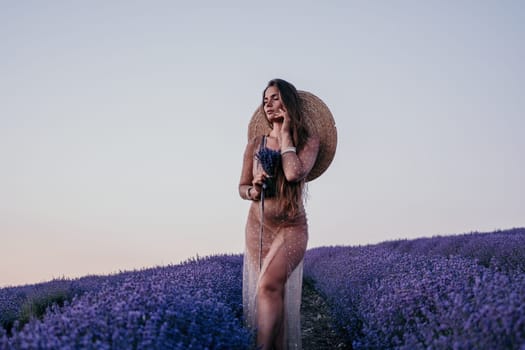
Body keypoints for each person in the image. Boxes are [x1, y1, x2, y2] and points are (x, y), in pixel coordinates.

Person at [239, 79, 323, 349]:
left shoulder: (308, 141)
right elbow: (241, 187)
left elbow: (293, 173)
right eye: (265, 99)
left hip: (291, 227)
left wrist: (285, 133)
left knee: (267, 288)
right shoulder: (255, 144)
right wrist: (255, 188)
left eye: (275, 98)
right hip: (258, 226)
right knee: (275, 295)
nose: (268, 103)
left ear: (288, 101)